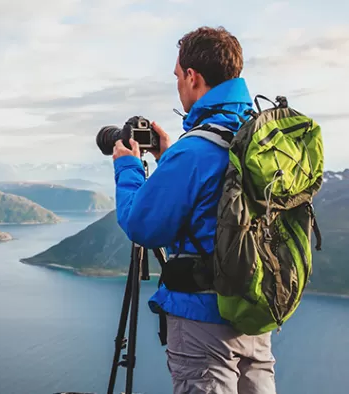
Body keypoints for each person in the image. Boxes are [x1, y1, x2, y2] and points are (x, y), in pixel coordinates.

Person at [111, 26, 277, 394]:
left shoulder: (196, 150)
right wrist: (169, 156)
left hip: (204, 323)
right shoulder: (253, 137)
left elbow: (142, 226)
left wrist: (127, 168)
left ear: (192, 76)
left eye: (177, 76)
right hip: (253, 311)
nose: (177, 85)